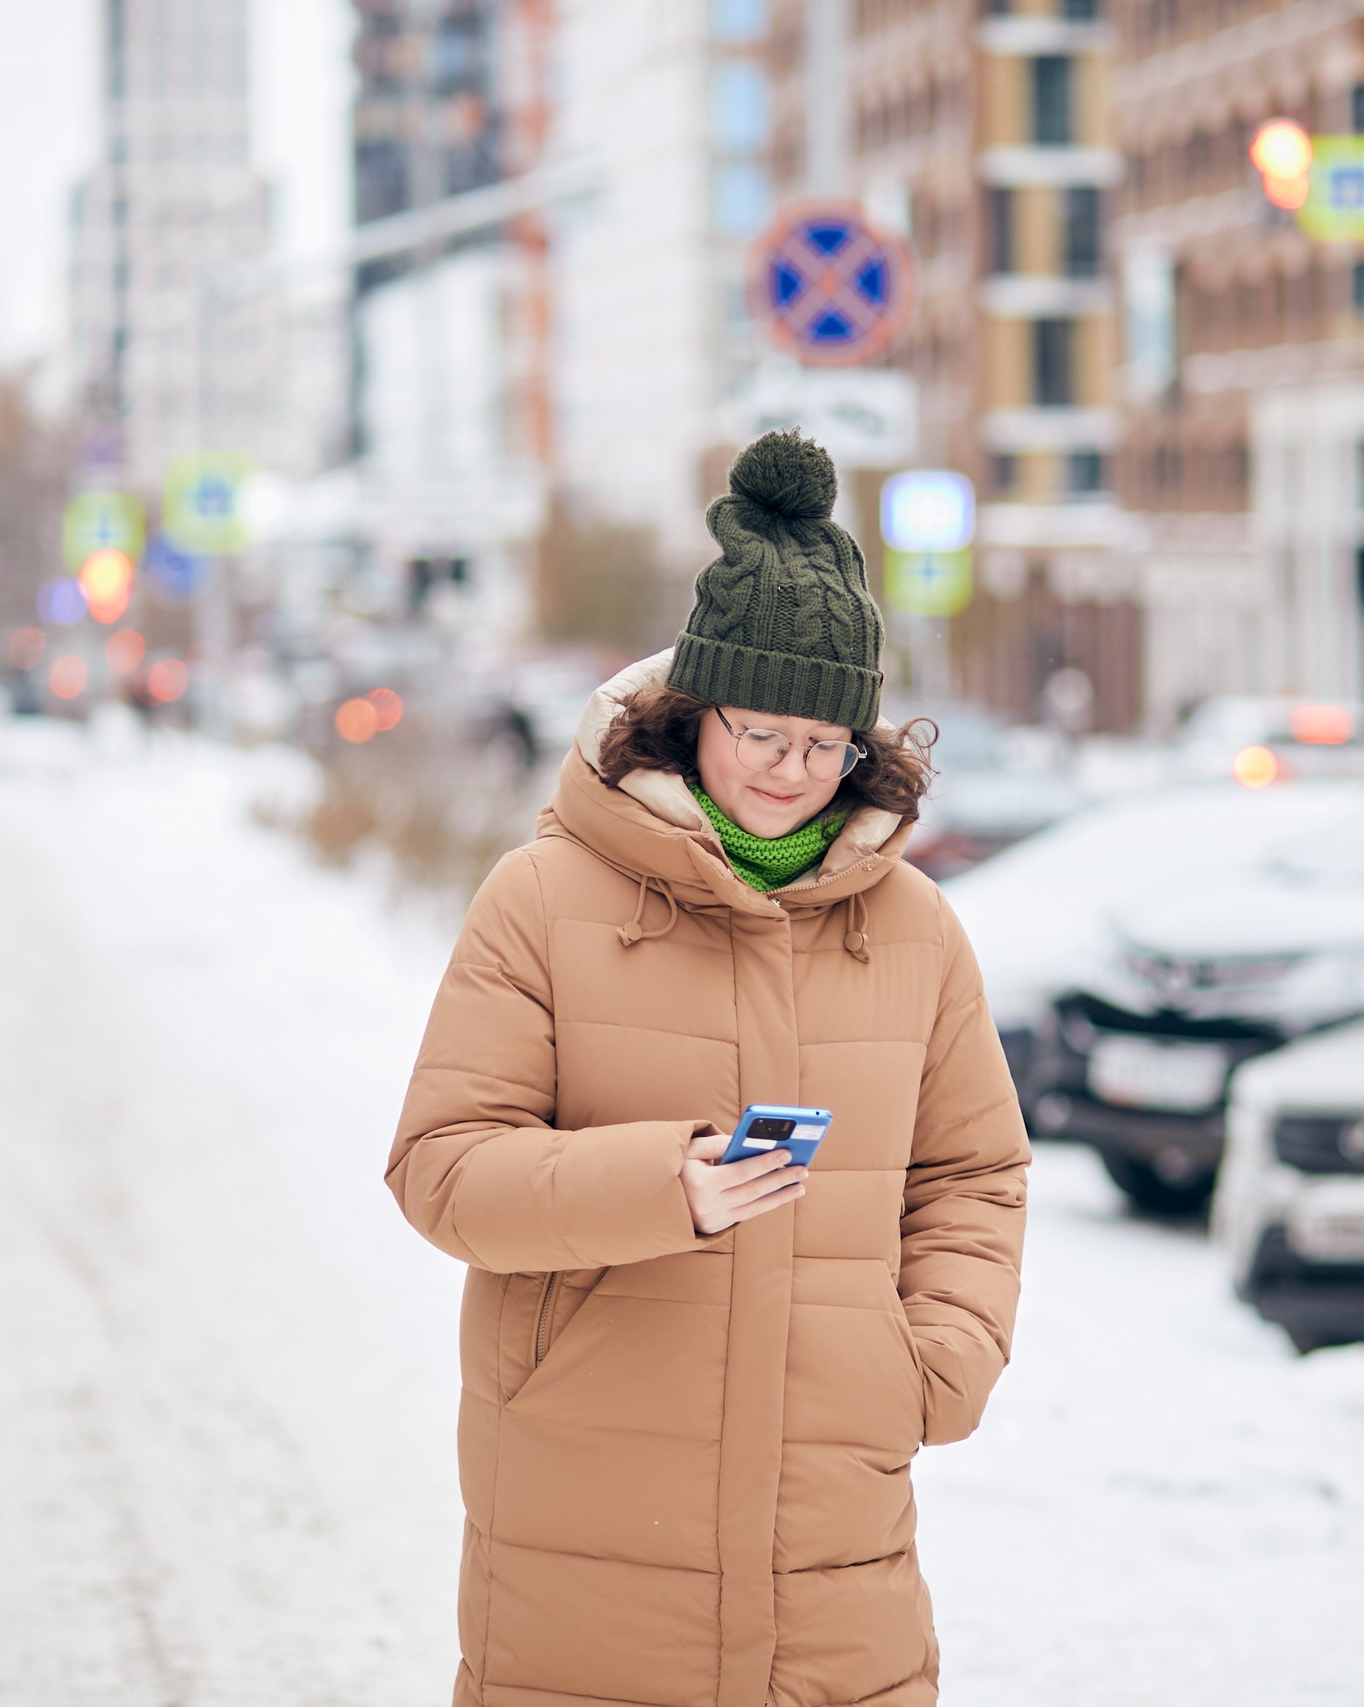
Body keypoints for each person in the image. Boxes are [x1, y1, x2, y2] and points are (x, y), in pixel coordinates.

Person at [387, 432, 1029, 1707]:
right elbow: (441, 1170)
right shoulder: (544, 899)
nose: (793, 773)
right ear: (694, 717)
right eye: (762, 735)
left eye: (826, 744)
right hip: (588, 1487)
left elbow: (973, 1171)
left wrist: (935, 1360)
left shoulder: (913, 929)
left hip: (831, 1510)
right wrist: (661, 1184)